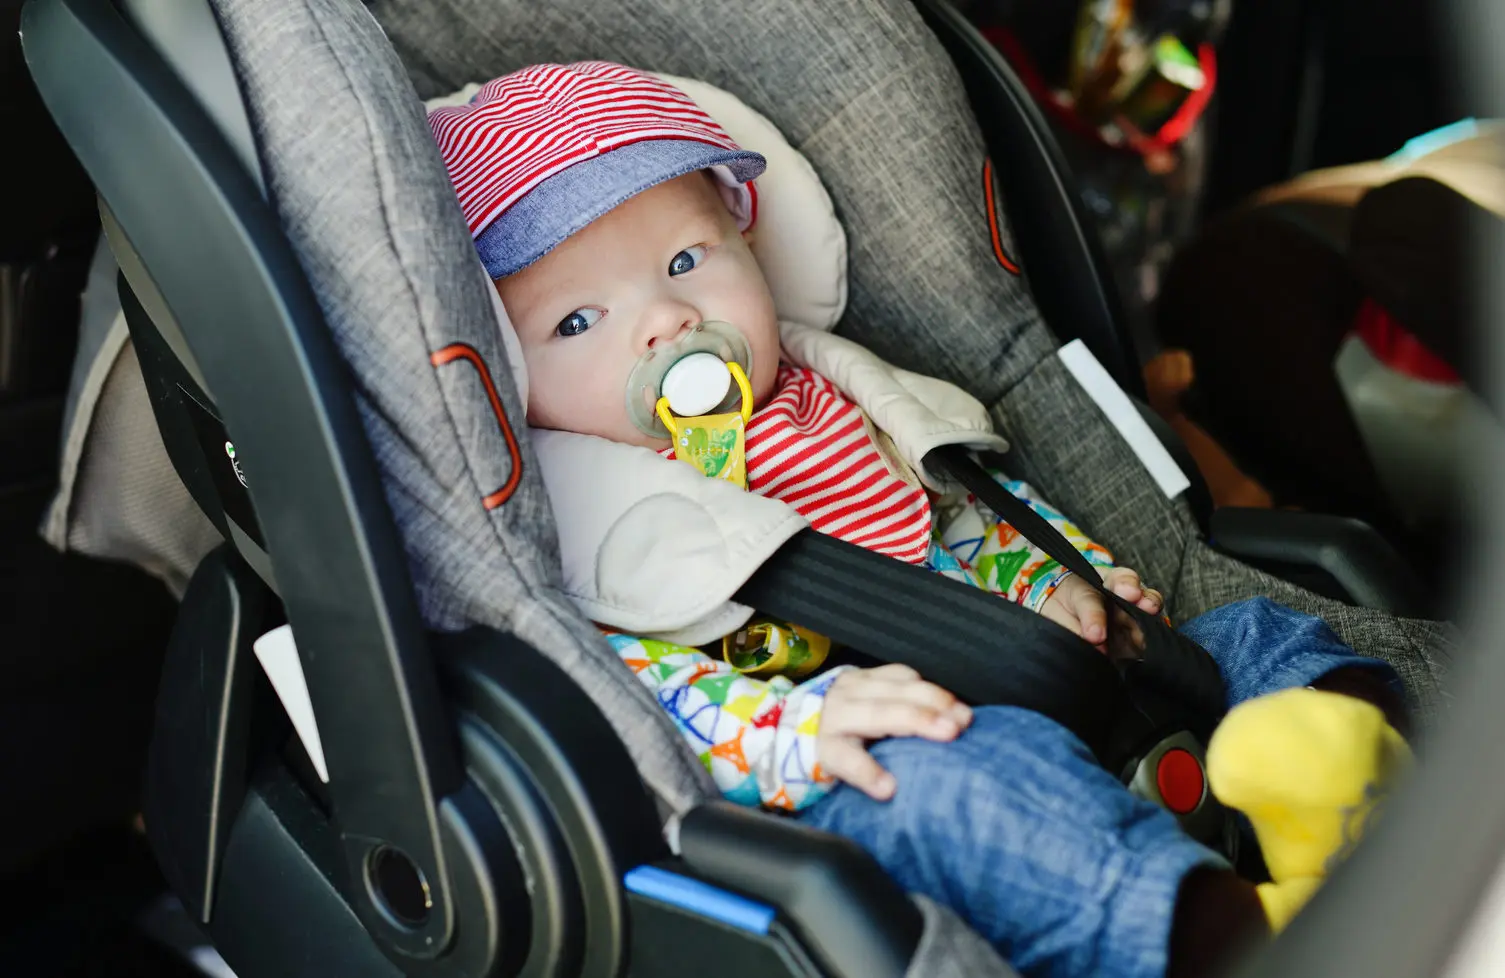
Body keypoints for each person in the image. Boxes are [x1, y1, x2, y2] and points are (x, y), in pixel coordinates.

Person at [429, 61, 1412, 978]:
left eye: (687, 258)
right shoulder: (586, 523)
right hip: (855, 764)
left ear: (750, 246)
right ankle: (1235, 939)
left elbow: (964, 517)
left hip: (1025, 666)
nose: (667, 320)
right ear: (506, 378)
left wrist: (1059, 585)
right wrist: (795, 730)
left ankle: (1353, 785)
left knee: (1251, 635)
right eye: (576, 321)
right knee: (973, 795)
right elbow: (638, 689)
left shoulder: (836, 399)